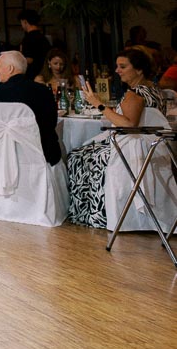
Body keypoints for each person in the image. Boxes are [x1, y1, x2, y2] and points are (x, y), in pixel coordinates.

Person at [66, 48, 165, 227]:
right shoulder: (154, 90)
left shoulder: (135, 94)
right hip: (151, 146)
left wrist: (98, 104)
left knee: (77, 156)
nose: (117, 70)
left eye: (123, 66)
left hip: (130, 147)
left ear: (139, 70)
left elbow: (128, 125)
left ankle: (96, 214)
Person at [0, 49, 61, 168]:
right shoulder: (43, 90)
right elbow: (52, 122)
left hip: (12, 158)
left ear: (10, 69)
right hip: (45, 154)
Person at [18, 9, 51, 79]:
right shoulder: (44, 38)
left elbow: (29, 59)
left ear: (25, 22)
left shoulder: (28, 39)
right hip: (46, 72)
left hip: (33, 75)